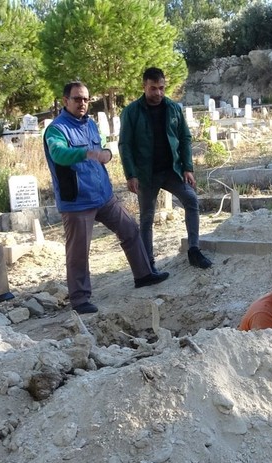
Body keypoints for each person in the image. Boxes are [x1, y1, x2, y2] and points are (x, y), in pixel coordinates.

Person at [43, 81, 169, 314]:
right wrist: (86, 153)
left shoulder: (90, 124)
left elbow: (101, 146)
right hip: (77, 201)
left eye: (86, 99)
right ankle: (80, 300)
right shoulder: (56, 130)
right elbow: (59, 154)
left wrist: (107, 153)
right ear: (65, 101)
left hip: (103, 195)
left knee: (130, 229)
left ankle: (143, 275)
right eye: (77, 99)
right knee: (79, 252)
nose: (82, 103)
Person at [119, 66, 212, 272]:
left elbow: (185, 138)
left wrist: (187, 167)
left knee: (191, 200)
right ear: (144, 87)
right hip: (146, 173)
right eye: (153, 89)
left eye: (161, 88)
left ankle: (194, 250)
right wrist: (131, 174)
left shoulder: (173, 108)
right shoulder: (131, 112)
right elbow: (125, 144)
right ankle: (147, 264)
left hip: (172, 170)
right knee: (146, 218)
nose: (158, 93)